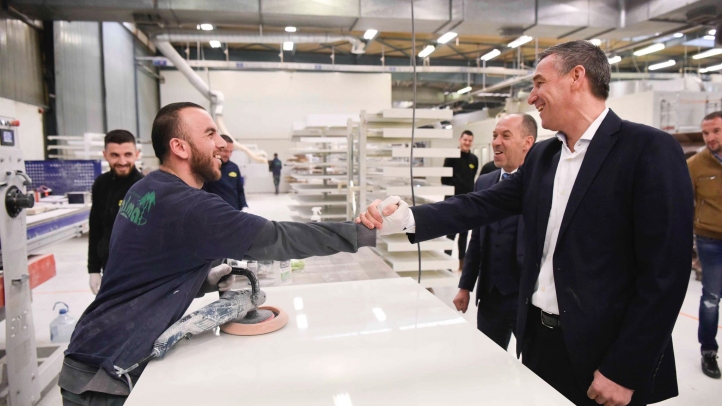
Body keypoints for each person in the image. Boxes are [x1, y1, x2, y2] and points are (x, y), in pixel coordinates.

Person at [358, 40, 693, 406]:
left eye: (539, 83)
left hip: (605, 354)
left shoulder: (648, 149)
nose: (532, 97)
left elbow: (666, 274)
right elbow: (482, 204)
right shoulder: (544, 156)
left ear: (576, 77)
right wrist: (408, 217)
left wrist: (625, 368)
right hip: (540, 343)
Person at [58, 102, 376, 405]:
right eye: (210, 134)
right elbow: (279, 237)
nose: (222, 143)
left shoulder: (146, 187)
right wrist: (363, 231)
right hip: (107, 377)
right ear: (180, 147)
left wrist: (199, 282)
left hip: (89, 351)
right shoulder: (190, 207)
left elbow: (142, 267)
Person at [453, 114, 536, 350]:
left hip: (526, 297)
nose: (496, 142)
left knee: (532, 364)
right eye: (494, 136)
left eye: (505, 136)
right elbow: (476, 239)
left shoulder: (540, 184)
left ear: (527, 143)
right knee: (489, 358)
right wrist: (465, 286)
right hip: (491, 296)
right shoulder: (484, 182)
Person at [687, 110, 722, 379]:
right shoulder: (695, 165)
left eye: (716, 131)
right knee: (711, 298)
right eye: (706, 132)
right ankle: (708, 351)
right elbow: (684, 203)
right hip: (710, 240)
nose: (710, 137)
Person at [87, 130, 143, 295]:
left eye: (128, 154)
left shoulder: (145, 187)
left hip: (139, 271)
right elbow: (95, 227)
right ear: (105, 155)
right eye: (115, 155)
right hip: (109, 268)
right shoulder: (101, 184)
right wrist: (93, 269)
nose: (122, 161)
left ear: (137, 154)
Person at [441, 130, 478, 270]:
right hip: (452, 202)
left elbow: (471, 178)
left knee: (464, 234)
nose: (467, 143)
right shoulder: (451, 157)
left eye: (470, 140)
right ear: (460, 140)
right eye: (465, 140)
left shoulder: (474, 159)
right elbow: (444, 179)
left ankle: (462, 264)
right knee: (450, 233)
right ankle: (446, 264)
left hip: (467, 202)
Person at [202, 134, 248, 211]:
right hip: (215, 211)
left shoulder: (234, 167)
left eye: (231, 151)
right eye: (226, 151)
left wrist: (244, 205)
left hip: (234, 211)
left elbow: (240, 189)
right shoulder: (208, 168)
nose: (228, 155)